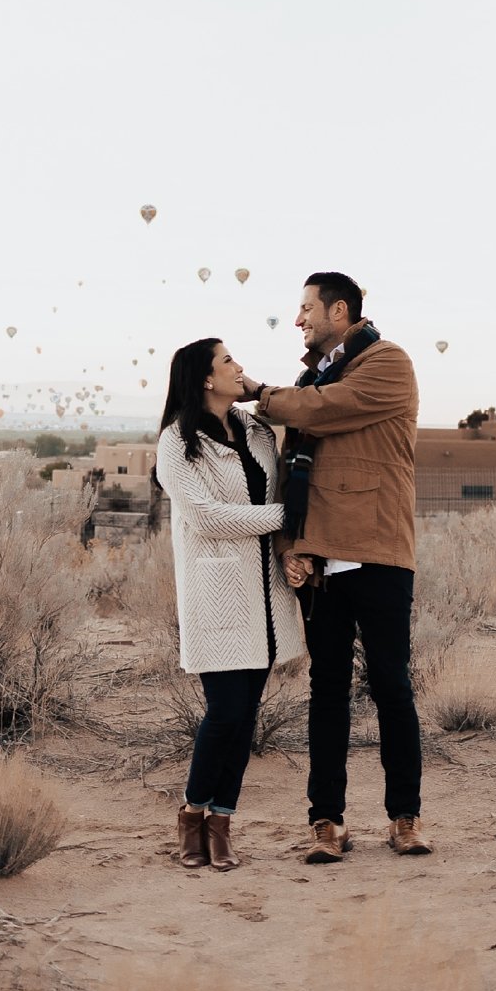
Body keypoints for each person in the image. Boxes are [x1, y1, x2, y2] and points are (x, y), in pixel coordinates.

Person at [242, 272, 429, 863]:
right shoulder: (309, 383)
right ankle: (327, 821)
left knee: (393, 689)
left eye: (306, 309)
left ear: (339, 310)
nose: (298, 320)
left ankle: (405, 817)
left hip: (378, 554)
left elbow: (330, 409)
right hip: (321, 562)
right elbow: (291, 477)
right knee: (327, 693)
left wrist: (258, 391)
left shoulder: (386, 364)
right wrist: (290, 546)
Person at [155, 337, 308, 871]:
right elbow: (205, 516)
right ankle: (191, 815)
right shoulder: (177, 442)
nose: (238, 366)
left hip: (264, 592)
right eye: (228, 360)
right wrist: (282, 520)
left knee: (246, 719)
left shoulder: (259, 431)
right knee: (224, 712)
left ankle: (222, 821)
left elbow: (282, 483)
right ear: (204, 378)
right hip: (216, 593)